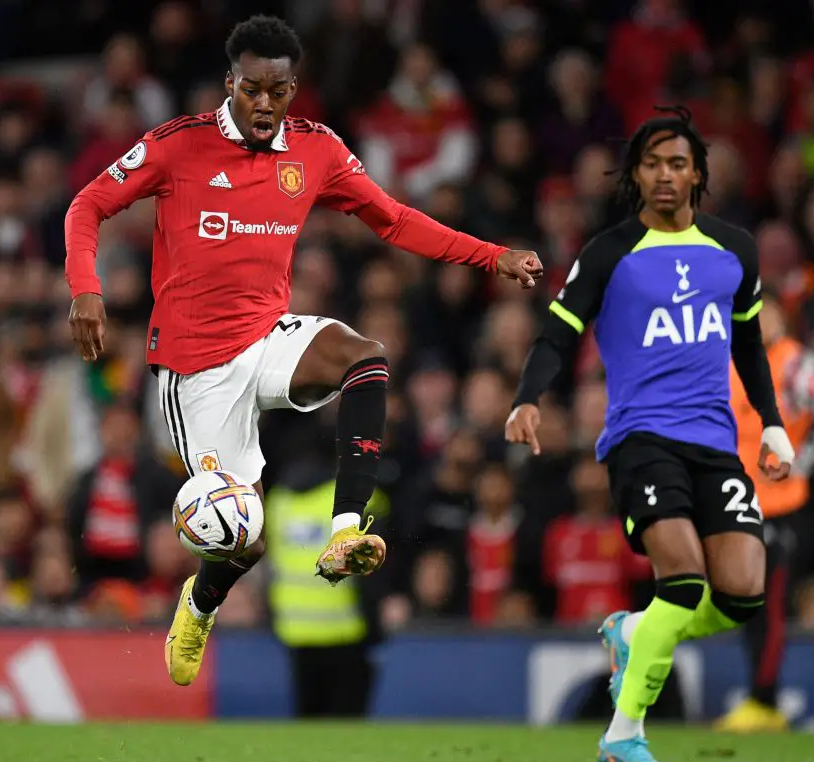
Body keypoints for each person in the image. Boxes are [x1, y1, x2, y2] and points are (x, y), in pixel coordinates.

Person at [65, 15, 543, 688]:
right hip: (195, 368)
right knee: (244, 537)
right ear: (230, 83)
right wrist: (86, 290)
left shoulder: (316, 150)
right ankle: (200, 604)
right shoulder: (178, 145)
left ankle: (347, 528)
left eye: (280, 91)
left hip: (267, 335)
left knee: (365, 357)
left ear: (295, 89)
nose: (266, 104)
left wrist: (492, 257)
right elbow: (87, 206)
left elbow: (394, 218)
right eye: (253, 89)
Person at [505, 106, 794, 762]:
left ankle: (634, 631)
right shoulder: (610, 252)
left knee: (743, 595)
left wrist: (772, 422)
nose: (665, 176)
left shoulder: (734, 250)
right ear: (635, 174)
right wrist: (527, 397)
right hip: (641, 439)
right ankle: (623, 735)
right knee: (685, 582)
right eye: (652, 163)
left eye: (678, 164)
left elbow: (749, 344)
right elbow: (557, 333)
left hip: (716, 444)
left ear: (698, 174)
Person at [717, 293, 814, 732]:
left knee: (770, 601)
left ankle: (764, 702)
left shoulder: (792, 362)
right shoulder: (730, 365)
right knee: (750, 602)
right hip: (742, 505)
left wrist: (804, 459)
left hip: (786, 506)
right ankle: (758, 698)